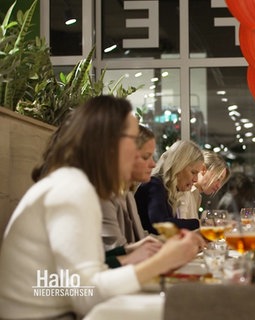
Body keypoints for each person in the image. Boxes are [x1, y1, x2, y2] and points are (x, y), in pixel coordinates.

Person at [0, 96, 205, 319]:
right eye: (132, 139)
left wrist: (130, 253)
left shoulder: (74, 184)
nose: (140, 155)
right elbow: (86, 295)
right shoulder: (72, 190)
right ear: (108, 143)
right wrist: (164, 260)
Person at [101, 124, 162, 268]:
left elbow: (138, 241)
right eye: (146, 157)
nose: (153, 164)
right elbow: (116, 253)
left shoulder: (127, 192)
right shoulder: (103, 196)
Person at [135, 139, 204, 234]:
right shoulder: (154, 184)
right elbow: (160, 225)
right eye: (193, 172)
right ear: (178, 165)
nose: (195, 179)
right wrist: (199, 223)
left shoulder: (168, 189)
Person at [178, 150, 231, 219]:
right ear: (203, 170)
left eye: (221, 182)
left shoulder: (197, 195)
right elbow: (181, 226)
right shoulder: (185, 192)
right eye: (218, 179)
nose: (219, 186)